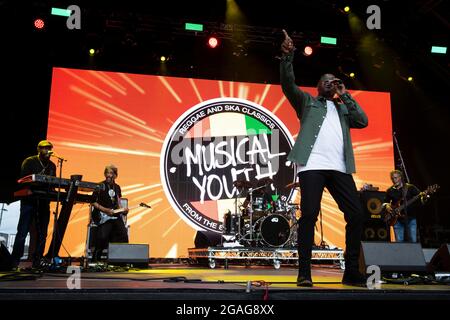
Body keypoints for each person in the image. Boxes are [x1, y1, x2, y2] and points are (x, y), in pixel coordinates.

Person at [280, 30, 369, 287]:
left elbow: (362, 120)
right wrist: (288, 56)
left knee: (356, 215)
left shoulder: (342, 107)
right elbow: (288, 85)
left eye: (335, 81)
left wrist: (346, 93)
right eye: (326, 81)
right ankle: (304, 273)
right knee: (309, 215)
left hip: (340, 167)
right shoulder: (307, 102)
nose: (331, 83)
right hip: (313, 165)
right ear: (319, 85)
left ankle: (351, 271)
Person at [11, 140, 57, 269]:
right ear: (39, 149)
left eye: (49, 148)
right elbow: (23, 180)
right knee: (22, 232)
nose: (48, 151)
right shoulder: (29, 161)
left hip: (43, 202)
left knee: (43, 233)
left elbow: (53, 184)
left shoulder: (52, 166)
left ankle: (37, 261)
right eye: (45, 148)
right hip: (29, 202)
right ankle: (14, 261)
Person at [90, 165, 129, 261]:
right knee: (103, 236)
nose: (108, 175)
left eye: (111, 173)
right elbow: (93, 202)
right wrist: (105, 210)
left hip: (114, 215)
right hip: (103, 215)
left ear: (115, 175)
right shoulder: (99, 186)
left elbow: (118, 202)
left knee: (123, 235)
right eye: (107, 173)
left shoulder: (117, 187)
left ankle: (119, 260)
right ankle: (95, 260)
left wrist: (123, 211)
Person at [383, 170, 427, 243]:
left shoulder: (410, 187)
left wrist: (425, 197)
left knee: (413, 241)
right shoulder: (390, 190)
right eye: (392, 178)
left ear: (400, 177)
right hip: (397, 220)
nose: (394, 180)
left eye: (396, 178)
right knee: (399, 242)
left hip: (411, 218)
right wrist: (387, 205)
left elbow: (420, 199)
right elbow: (384, 202)